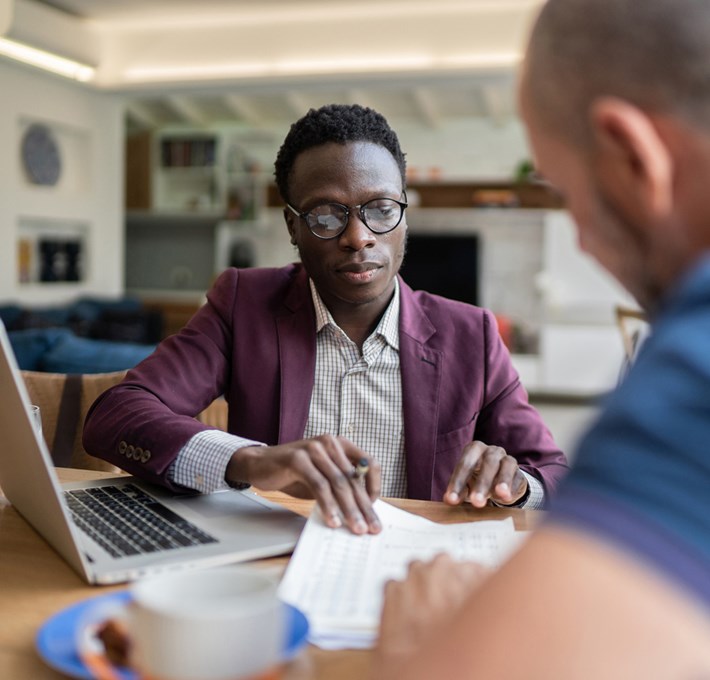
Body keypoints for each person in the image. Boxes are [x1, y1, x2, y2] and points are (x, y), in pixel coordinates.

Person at [372, 0, 710, 677]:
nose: (581, 241)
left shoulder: (687, 383)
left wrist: (416, 649)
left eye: (566, 193)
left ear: (632, 157)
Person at [83, 104, 567, 536]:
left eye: (380, 209)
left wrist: (516, 485)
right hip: (276, 563)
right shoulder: (244, 303)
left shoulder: (472, 335)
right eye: (326, 216)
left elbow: (554, 473)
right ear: (293, 226)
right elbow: (116, 415)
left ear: (403, 215)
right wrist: (252, 461)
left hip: (415, 566)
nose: (358, 237)